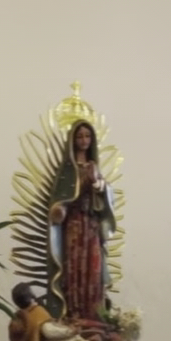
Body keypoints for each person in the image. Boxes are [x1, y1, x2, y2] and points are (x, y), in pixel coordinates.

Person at [45, 120, 116, 325]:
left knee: (94, 268)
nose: (84, 140)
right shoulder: (68, 171)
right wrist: (59, 208)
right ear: (73, 140)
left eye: (87, 136)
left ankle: (94, 314)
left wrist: (99, 185)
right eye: (79, 136)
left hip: (91, 225)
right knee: (74, 268)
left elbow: (106, 195)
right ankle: (74, 313)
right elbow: (59, 200)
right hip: (74, 226)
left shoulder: (94, 167)